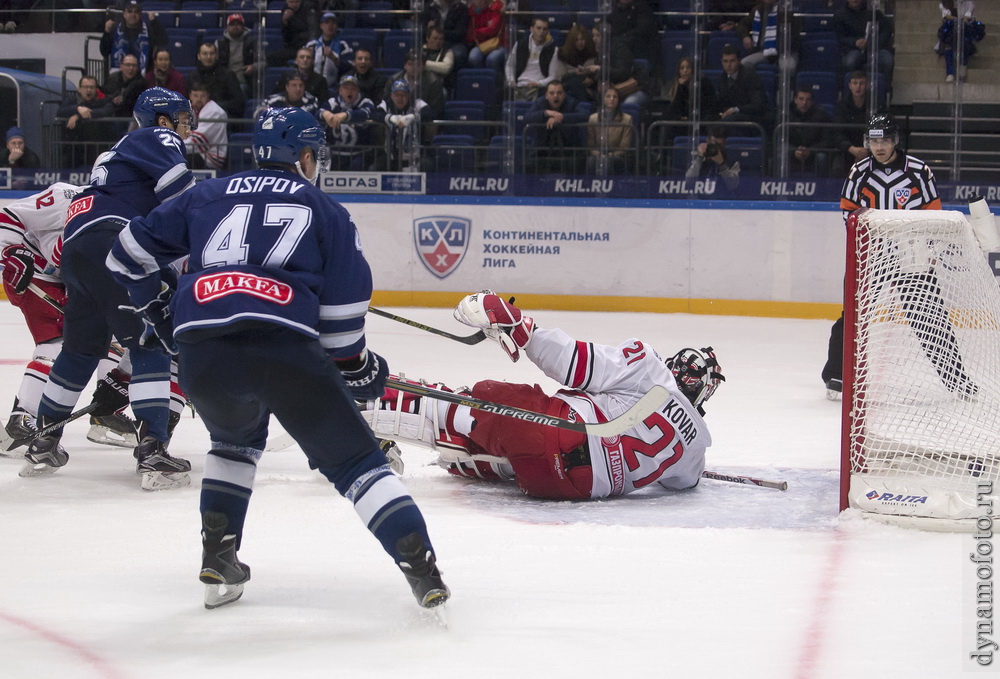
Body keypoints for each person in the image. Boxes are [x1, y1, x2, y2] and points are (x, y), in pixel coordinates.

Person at [106, 106, 449, 611]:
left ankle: (217, 556)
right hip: (282, 349)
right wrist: (358, 367)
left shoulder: (205, 194)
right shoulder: (327, 211)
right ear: (306, 156)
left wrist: (159, 311)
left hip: (203, 352)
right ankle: (420, 566)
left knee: (232, 441)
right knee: (356, 461)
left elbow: (124, 256)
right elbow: (342, 322)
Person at [361, 291, 724, 501]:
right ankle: (478, 457)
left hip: (555, 430)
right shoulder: (695, 451)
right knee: (507, 445)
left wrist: (520, 328)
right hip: (566, 487)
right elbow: (682, 483)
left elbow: (574, 363)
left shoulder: (649, 368)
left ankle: (364, 402)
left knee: (471, 403)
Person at [21, 87, 196, 491]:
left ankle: (44, 439)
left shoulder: (116, 151)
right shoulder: (156, 137)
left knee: (81, 348)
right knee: (149, 341)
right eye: (181, 119)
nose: (185, 128)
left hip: (78, 246)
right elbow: (183, 199)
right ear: (163, 119)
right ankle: (153, 450)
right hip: (114, 243)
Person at [822, 114, 974, 401]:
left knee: (930, 318)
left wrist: (927, 249)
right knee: (851, 316)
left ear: (895, 141)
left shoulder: (918, 171)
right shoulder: (859, 171)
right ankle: (836, 375)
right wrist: (867, 244)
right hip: (870, 256)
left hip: (911, 257)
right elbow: (848, 212)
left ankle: (957, 380)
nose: (879, 147)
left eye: (885, 140)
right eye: (874, 140)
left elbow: (933, 212)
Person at [0, 183, 159, 453]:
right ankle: (22, 415)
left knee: (112, 339)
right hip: (39, 273)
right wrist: (9, 254)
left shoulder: (137, 213)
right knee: (60, 344)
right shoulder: (66, 195)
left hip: (78, 280)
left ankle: (104, 414)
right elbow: (10, 214)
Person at [524, 80, 589, 174]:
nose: (556, 96)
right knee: (530, 164)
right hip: (542, 148)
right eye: (552, 93)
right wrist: (545, 113)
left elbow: (585, 115)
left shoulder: (571, 102)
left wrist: (561, 117)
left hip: (568, 148)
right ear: (546, 95)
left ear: (564, 94)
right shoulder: (540, 103)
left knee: (578, 163)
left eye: (559, 93)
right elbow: (527, 117)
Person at [56, 75, 116, 169]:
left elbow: (106, 110)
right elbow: (60, 111)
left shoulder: (103, 100)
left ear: (96, 89)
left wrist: (78, 116)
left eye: (92, 87)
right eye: (85, 87)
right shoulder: (72, 99)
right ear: (79, 89)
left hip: (97, 144)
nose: (89, 90)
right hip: (74, 145)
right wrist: (77, 108)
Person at [320, 74, 376, 171]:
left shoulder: (365, 102)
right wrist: (325, 113)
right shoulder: (332, 102)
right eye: (346, 88)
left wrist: (346, 115)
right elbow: (318, 112)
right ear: (340, 90)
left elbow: (366, 113)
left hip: (359, 153)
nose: (350, 92)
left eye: (353, 89)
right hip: (334, 153)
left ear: (358, 90)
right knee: (322, 166)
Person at [736, 0, 801, 80]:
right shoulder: (757, 10)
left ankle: (784, 92)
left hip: (785, 51)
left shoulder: (785, 10)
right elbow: (742, 25)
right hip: (763, 51)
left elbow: (795, 35)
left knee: (787, 67)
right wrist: (745, 36)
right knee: (744, 63)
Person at [833, 0, 894, 84]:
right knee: (851, 62)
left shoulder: (873, 12)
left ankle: (884, 90)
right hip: (853, 49)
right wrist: (855, 42)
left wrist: (875, 42)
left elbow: (887, 30)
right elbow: (840, 37)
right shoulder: (840, 16)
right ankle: (852, 90)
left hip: (875, 48)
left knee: (888, 60)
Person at [373, 80, 429, 172]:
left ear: (409, 95)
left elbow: (430, 113)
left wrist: (413, 116)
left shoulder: (416, 103)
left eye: (403, 95)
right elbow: (375, 114)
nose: (400, 98)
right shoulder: (386, 104)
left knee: (427, 165)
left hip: (414, 157)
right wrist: (390, 118)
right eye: (397, 95)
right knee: (374, 168)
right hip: (390, 157)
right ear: (391, 95)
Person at [99, 0, 168, 72]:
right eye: (130, 11)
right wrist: (106, 32)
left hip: (143, 76)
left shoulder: (148, 29)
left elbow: (163, 41)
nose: (133, 14)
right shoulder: (115, 29)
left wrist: (154, 22)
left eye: (136, 12)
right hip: (119, 77)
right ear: (124, 14)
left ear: (140, 14)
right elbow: (104, 51)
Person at [506, 16, 562, 102]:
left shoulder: (553, 50)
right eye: (538, 28)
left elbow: (553, 76)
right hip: (519, 85)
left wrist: (539, 83)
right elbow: (510, 66)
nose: (541, 32)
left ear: (548, 31)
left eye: (544, 29)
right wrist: (511, 81)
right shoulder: (520, 45)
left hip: (539, 88)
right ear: (532, 29)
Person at [715, 44, 769, 132]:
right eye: (725, 61)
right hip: (732, 116)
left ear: (739, 61)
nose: (728, 65)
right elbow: (722, 103)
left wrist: (736, 109)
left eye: (732, 61)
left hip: (752, 117)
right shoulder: (722, 78)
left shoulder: (750, 76)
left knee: (728, 121)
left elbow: (757, 105)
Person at [187, 41, 246, 119]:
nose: (209, 57)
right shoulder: (192, 77)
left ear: (216, 55)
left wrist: (212, 106)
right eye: (205, 54)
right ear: (199, 56)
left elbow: (238, 103)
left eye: (212, 53)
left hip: (222, 117)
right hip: (197, 118)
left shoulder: (228, 75)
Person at [382, 51, 445, 121]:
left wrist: (414, 117)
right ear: (405, 65)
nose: (414, 68)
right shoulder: (393, 80)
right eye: (410, 64)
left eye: (418, 65)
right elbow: (386, 102)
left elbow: (436, 110)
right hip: (396, 117)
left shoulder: (433, 82)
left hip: (424, 120)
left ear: (424, 66)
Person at [586, 86, 633, 176]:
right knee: (591, 161)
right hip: (598, 154)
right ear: (603, 99)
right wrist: (599, 154)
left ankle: (608, 187)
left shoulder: (627, 119)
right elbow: (590, 145)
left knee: (607, 162)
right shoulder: (593, 118)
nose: (612, 99)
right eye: (608, 96)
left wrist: (609, 155)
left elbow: (624, 146)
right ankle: (591, 186)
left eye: (615, 97)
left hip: (618, 156)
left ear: (618, 100)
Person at [786, 85, 831, 177]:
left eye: (808, 100)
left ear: (812, 101)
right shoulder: (786, 115)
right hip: (793, 153)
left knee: (821, 157)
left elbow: (827, 140)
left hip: (813, 153)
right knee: (782, 155)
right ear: (795, 99)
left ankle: (821, 186)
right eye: (801, 99)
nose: (804, 103)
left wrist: (810, 151)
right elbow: (781, 140)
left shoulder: (821, 115)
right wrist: (794, 151)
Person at [832, 70, 870, 177]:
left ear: (866, 85)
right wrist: (851, 148)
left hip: (870, 151)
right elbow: (836, 134)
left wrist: (867, 150)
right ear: (849, 85)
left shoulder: (875, 105)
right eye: (855, 83)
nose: (858, 87)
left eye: (861, 83)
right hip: (847, 150)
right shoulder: (842, 106)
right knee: (837, 167)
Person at [936, 1, 983, 82]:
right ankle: (950, 73)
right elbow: (946, 16)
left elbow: (969, 13)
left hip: (965, 29)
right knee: (949, 46)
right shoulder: (945, 3)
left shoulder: (969, 2)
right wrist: (957, 20)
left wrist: (965, 19)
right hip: (951, 30)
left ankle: (962, 68)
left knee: (965, 43)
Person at [216, 14, 262, 96]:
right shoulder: (219, 43)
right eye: (232, 24)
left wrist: (253, 67)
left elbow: (263, 62)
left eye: (238, 24)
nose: (235, 27)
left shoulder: (252, 42)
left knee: (240, 91)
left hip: (245, 82)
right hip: (224, 82)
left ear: (243, 27)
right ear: (227, 27)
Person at [185, 84, 228, 170]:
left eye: (202, 96)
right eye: (195, 96)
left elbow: (197, 140)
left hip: (211, 157)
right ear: (190, 96)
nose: (199, 99)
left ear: (207, 96)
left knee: (178, 160)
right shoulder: (193, 109)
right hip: (201, 153)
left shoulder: (214, 112)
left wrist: (176, 147)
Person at [307, 12, 353, 90]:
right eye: (327, 22)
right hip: (312, 86)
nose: (330, 26)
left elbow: (350, 67)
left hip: (335, 86)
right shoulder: (312, 45)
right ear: (321, 25)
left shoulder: (343, 45)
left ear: (337, 26)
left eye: (333, 23)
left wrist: (334, 58)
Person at [685, 126, 740, 191]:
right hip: (700, 197)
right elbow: (688, 181)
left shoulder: (732, 161)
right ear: (707, 141)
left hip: (722, 198)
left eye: (719, 146)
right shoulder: (700, 158)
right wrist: (699, 158)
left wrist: (722, 164)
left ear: (724, 143)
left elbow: (733, 185)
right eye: (713, 145)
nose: (716, 148)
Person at [268, 0, 318, 67]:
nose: (294, 5)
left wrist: (311, 45)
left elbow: (313, 30)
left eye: (297, 2)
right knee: (270, 57)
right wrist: (285, 21)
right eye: (291, 2)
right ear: (287, 2)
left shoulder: (309, 8)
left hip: (306, 45)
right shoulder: (286, 10)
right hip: (293, 46)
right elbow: (286, 37)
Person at [422, 0, 469, 70]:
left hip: (454, 42)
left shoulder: (461, 7)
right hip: (434, 40)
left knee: (458, 54)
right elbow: (423, 30)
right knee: (417, 52)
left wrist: (440, 33)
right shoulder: (430, 6)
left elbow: (460, 32)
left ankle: (453, 79)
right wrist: (428, 29)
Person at [558, 23, 598, 106]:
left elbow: (598, 74)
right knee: (574, 82)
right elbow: (560, 77)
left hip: (588, 90)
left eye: (582, 39)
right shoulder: (562, 54)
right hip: (566, 88)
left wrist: (591, 80)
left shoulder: (593, 54)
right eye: (576, 40)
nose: (580, 42)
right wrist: (576, 73)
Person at [608, 0, 657, 66]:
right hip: (617, 50)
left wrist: (621, 38)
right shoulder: (614, 9)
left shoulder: (644, 9)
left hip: (637, 50)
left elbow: (642, 30)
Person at [102, 53, 149, 118]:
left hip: (130, 115)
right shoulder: (112, 79)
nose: (131, 68)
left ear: (137, 68)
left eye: (134, 65)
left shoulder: (141, 83)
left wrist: (123, 100)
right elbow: (104, 95)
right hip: (111, 113)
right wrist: (112, 99)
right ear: (121, 66)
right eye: (128, 65)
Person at [466, 0, 506, 72]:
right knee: (473, 57)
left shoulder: (495, 8)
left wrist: (477, 31)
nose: (479, 1)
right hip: (481, 45)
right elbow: (470, 35)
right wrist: (484, 29)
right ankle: (479, 81)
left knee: (492, 59)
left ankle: (495, 82)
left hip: (498, 44)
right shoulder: (470, 12)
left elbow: (492, 30)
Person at [422, 26, 456, 90]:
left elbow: (446, 68)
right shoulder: (419, 51)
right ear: (427, 38)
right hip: (421, 85)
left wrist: (424, 64)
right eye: (435, 38)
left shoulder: (447, 52)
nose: (438, 41)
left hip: (439, 86)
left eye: (441, 39)